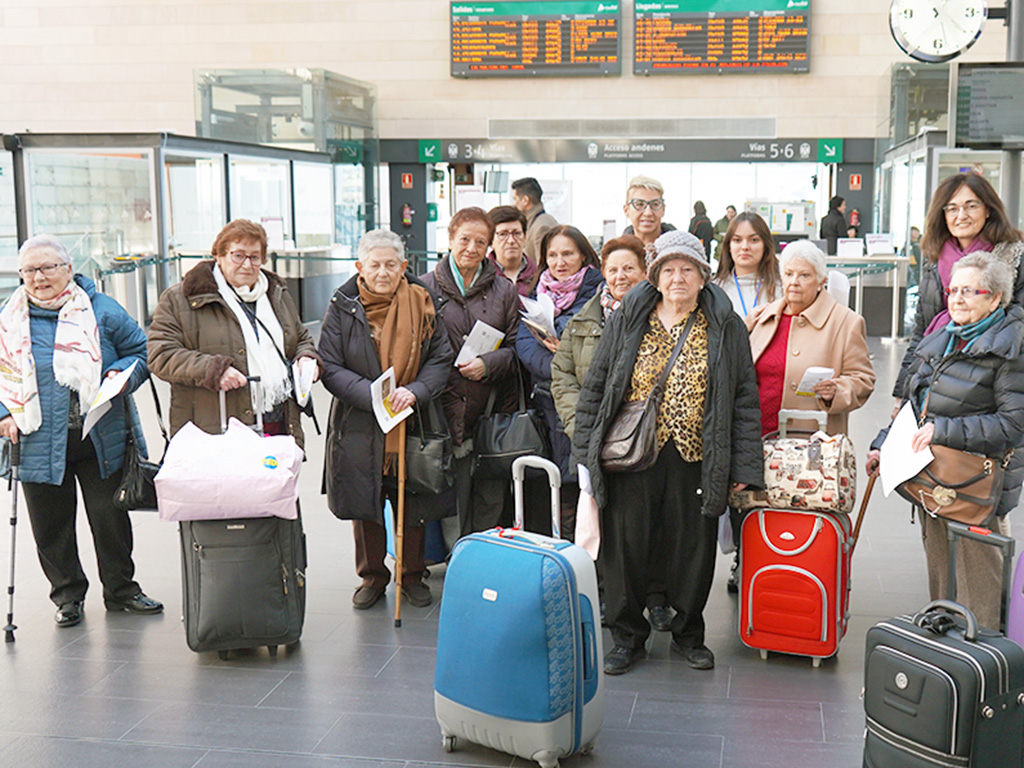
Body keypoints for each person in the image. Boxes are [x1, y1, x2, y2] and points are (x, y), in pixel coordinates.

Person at [572, 230, 763, 675]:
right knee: (626, 546)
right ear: (656, 276)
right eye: (670, 269)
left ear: (703, 276)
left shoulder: (723, 323)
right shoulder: (630, 317)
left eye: (688, 269)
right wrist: (584, 452)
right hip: (631, 453)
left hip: (697, 453)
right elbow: (597, 384)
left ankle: (689, 633)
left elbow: (744, 397)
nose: (678, 278)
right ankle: (627, 637)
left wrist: (743, 463)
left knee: (692, 548)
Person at [0, 235, 161, 628]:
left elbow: (142, 352)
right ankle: (68, 596)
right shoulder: (8, 319)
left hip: (99, 434)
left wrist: (121, 375)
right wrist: (3, 412)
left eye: (47, 268)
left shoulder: (102, 310)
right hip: (36, 438)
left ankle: (122, 590)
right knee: (51, 527)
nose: (38, 278)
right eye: (29, 270)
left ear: (68, 269)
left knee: (111, 519)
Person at [867, 252, 1024, 630]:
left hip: (975, 485)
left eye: (970, 291)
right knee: (940, 573)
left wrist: (945, 432)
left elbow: (1014, 424)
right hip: (933, 478)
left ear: (996, 298)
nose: (957, 299)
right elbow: (913, 405)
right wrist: (883, 444)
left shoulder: (1009, 349)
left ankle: (984, 665)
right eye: (954, 290)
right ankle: (947, 659)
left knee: (979, 582)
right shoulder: (944, 339)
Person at [318, 229, 453, 610]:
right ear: (360, 267)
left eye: (391, 265)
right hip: (361, 421)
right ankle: (372, 576)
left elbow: (440, 359)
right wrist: (372, 397)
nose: (382, 272)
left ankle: (411, 574)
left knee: (412, 499)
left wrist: (416, 392)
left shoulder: (425, 301)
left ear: (404, 267)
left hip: (413, 416)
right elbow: (330, 364)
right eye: (374, 265)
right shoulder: (343, 305)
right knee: (366, 502)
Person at [149, 219, 320, 447]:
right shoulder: (180, 299)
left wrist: (306, 358)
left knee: (274, 482)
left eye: (254, 257)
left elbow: (301, 339)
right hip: (215, 429)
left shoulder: (277, 294)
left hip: (278, 423)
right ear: (219, 256)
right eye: (238, 255)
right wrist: (213, 369)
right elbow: (161, 355)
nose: (247, 265)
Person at [422, 208, 521, 537]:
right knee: (450, 495)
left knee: (490, 494)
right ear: (450, 239)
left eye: (481, 242)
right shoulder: (424, 288)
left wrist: (488, 365)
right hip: (443, 407)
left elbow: (517, 346)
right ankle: (458, 564)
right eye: (464, 239)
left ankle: (484, 563)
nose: (471, 248)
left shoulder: (504, 290)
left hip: (490, 407)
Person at [895, 173, 1024, 398]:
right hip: (936, 372)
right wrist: (902, 393)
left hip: (991, 380)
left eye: (971, 206)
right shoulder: (934, 259)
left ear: (988, 209)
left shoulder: (1013, 256)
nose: (961, 215)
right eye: (952, 208)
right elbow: (921, 331)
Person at [516, 225, 603, 530]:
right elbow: (524, 343)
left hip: (585, 401)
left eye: (567, 253)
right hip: (545, 401)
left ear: (583, 255)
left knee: (583, 484)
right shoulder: (537, 294)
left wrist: (562, 354)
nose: (559, 261)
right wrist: (559, 364)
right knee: (553, 484)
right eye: (552, 254)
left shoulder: (599, 292)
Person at [747, 240, 875, 437]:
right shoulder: (762, 317)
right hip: (757, 438)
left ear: (821, 281)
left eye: (804, 275)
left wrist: (837, 390)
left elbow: (863, 380)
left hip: (812, 445)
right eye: (789, 274)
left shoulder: (846, 322)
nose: (794, 282)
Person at [713, 211, 782, 319]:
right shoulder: (715, 291)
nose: (745, 247)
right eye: (737, 240)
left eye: (754, 240)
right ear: (729, 246)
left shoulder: (782, 287)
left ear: (765, 245)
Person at [487, 204, 538, 296]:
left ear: (525, 237)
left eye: (516, 233)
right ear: (490, 240)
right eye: (503, 234)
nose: (511, 241)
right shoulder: (481, 277)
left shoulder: (540, 277)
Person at [511, 177, 558, 265]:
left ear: (525, 200)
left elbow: (544, 266)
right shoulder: (539, 221)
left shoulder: (541, 227)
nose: (514, 204)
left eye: (515, 199)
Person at [623, 175, 676, 246]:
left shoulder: (682, 252)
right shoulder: (616, 254)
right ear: (626, 210)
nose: (648, 213)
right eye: (639, 204)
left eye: (655, 204)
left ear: (663, 209)